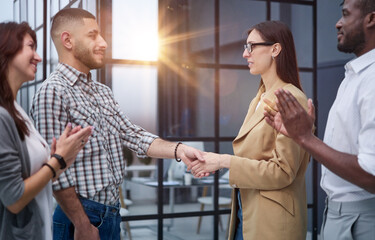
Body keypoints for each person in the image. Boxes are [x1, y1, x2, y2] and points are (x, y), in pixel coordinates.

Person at [30, 8, 205, 240]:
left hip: (111, 213)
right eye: (93, 35)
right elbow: (55, 172)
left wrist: (179, 150)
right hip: (80, 218)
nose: (103, 43)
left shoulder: (102, 92)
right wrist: (82, 224)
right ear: (68, 40)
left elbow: (132, 134)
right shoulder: (52, 92)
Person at [263, 0, 375, 239]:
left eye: (345, 14)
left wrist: (305, 138)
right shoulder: (354, 75)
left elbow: (371, 174)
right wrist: (304, 137)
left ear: (371, 19)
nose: (337, 23)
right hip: (335, 214)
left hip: (361, 221)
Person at [190, 21, 310, 240]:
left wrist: (223, 161)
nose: (245, 54)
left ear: (275, 49)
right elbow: (252, 158)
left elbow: (282, 172)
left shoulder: (292, 99)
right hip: (246, 213)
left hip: (273, 223)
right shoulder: (259, 98)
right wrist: (214, 163)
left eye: (251, 46)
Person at [0, 21, 92, 240]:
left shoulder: (18, 113)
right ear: (7, 48)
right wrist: (58, 160)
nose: (38, 57)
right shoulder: (2, 117)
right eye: (30, 46)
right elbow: (14, 199)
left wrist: (63, 158)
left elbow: (36, 179)